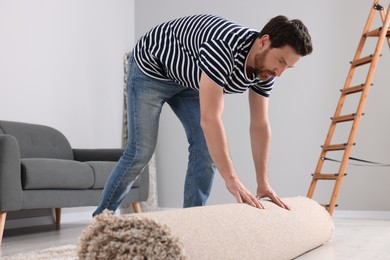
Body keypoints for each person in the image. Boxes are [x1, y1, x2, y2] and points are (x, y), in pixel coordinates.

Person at [93, 14, 312, 216]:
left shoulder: (266, 70)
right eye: (280, 61)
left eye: (287, 67)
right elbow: (210, 119)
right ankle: (100, 221)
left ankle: (192, 223)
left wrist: (262, 182)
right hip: (150, 71)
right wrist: (232, 179)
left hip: (189, 79)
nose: (279, 73)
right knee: (140, 151)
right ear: (264, 41)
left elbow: (260, 124)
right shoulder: (223, 48)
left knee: (205, 151)